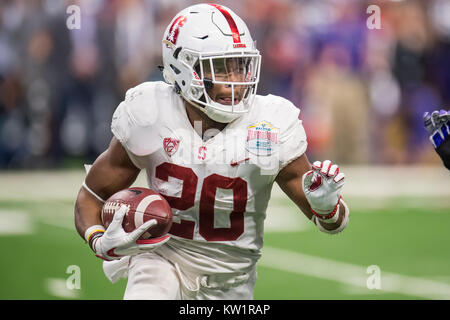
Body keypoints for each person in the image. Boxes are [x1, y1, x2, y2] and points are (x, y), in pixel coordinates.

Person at [74, 3, 350, 300]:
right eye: (219, 67)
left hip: (230, 282)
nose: (235, 80)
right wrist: (98, 239)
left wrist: (327, 207)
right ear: (182, 69)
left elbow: (331, 223)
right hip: (159, 261)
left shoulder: (270, 124)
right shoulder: (150, 113)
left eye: (239, 66)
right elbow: (91, 195)